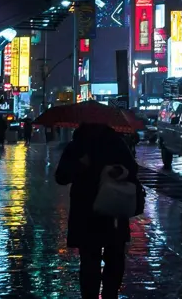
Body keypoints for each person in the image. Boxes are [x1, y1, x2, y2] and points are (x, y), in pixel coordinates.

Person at [55, 123, 141, 299]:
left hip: (87, 210)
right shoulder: (116, 143)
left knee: (90, 260)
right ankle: (109, 293)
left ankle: (92, 295)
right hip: (113, 209)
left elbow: (61, 177)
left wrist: (80, 165)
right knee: (113, 257)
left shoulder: (77, 145)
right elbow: (132, 169)